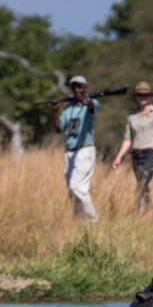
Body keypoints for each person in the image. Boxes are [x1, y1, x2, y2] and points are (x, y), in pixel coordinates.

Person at [111, 81, 153, 212]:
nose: (143, 97)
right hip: (136, 155)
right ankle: (150, 210)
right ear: (136, 97)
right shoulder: (131, 116)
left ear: (150, 96)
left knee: (142, 181)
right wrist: (119, 157)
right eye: (140, 95)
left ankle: (137, 211)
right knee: (143, 184)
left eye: (146, 95)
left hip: (151, 154)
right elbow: (127, 139)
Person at [51, 75, 99, 221]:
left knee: (77, 187)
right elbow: (59, 128)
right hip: (70, 152)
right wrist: (54, 111)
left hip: (84, 150)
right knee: (72, 191)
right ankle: (78, 221)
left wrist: (82, 100)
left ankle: (93, 219)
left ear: (85, 88)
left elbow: (91, 107)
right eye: (73, 87)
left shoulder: (92, 102)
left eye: (80, 87)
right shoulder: (68, 108)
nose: (76, 90)